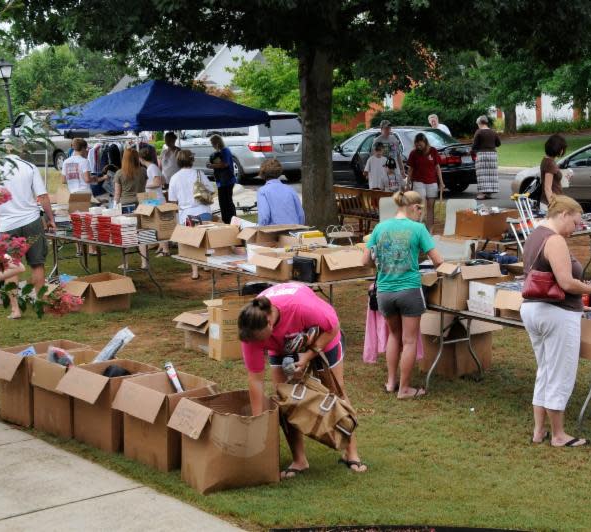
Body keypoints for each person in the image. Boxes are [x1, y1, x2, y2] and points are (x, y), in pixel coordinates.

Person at [239, 282, 367, 477]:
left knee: (336, 392)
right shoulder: (251, 331)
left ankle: (351, 453)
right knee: (285, 398)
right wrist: (258, 421)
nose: (257, 345)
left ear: (269, 322)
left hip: (324, 336)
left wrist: (307, 356)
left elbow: (333, 327)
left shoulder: (300, 306)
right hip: (284, 346)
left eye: (260, 339)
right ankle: (299, 460)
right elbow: (255, 381)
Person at [520, 195, 591, 448]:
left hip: (534, 310)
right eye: (574, 223)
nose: (575, 230)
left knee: (545, 370)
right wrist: (589, 288)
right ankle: (559, 434)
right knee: (560, 373)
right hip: (556, 312)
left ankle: (539, 430)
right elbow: (565, 282)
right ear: (563, 214)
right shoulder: (555, 240)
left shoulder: (534, 235)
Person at [362, 190, 444, 398]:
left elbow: (365, 261)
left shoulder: (380, 227)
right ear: (414, 208)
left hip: (384, 291)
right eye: (420, 211)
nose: (420, 215)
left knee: (394, 335)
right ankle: (405, 389)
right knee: (409, 340)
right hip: (409, 290)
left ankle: (391, 382)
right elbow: (438, 260)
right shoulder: (417, 228)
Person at [0, 151, 55, 319]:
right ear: (20, 151)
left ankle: (15, 310)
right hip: (32, 224)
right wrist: (51, 218)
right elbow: (43, 196)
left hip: (8, 227)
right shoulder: (29, 166)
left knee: (11, 268)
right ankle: (41, 305)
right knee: (37, 264)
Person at [168, 149, 214, 280]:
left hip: (186, 213)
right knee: (206, 240)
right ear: (192, 160)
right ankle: (206, 265)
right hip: (203, 210)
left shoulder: (174, 178)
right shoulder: (199, 173)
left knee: (191, 243)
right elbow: (210, 190)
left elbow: (172, 200)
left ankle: (195, 271)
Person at [61, 138, 97, 255]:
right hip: (84, 193)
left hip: (73, 193)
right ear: (83, 148)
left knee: (76, 222)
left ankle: (79, 249)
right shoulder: (84, 161)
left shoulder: (66, 162)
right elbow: (87, 179)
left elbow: (63, 180)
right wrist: (95, 179)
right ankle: (92, 249)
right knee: (88, 221)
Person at [406, 132, 443, 231]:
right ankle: (418, 227)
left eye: (420, 144)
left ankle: (429, 229)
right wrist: (407, 183)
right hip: (418, 182)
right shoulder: (413, 153)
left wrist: (441, 182)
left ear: (425, 142)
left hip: (432, 182)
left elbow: (437, 167)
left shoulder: (433, 151)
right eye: (417, 144)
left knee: (431, 207)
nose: (418, 146)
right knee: (420, 205)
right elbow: (410, 169)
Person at [138, 146, 170, 258]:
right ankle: (162, 246)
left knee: (160, 225)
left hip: (156, 199)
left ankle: (165, 249)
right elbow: (162, 180)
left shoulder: (151, 168)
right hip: (153, 198)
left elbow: (157, 183)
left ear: (141, 158)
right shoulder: (152, 167)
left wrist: (144, 185)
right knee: (157, 224)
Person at [256, 158, 305, 226]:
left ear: (262, 173)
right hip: (293, 232)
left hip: (274, 232)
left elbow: (264, 217)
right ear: (279, 171)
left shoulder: (263, 191)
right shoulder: (290, 189)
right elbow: (301, 215)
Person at [205, 135, 237, 224]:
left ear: (217, 143)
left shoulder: (225, 151)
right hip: (221, 181)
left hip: (227, 181)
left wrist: (212, 166)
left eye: (212, 143)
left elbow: (225, 164)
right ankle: (226, 220)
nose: (212, 145)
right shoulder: (219, 152)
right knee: (223, 202)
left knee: (227, 202)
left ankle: (231, 220)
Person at [471, 115, 501, 200]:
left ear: (480, 123)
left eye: (477, 124)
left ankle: (482, 193)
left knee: (482, 175)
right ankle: (489, 193)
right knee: (491, 174)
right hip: (493, 155)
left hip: (482, 155)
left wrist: (470, 151)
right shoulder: (493, 132)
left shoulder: (479, 132)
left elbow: (474, 146)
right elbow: (498, 144)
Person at [113, 147, 147, 214]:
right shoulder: (143, 171)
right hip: (141, 203)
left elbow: (117, 194)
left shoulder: (119, 173)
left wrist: (114, 207)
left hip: (125, 204)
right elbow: (145, 186)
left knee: (128, 223)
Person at [540, 134, 567, 212]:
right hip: (550, 204)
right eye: (562, 148)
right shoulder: (550, 163)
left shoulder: (546, 160)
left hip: (550, 202)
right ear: (559, 149)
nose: (563, 151)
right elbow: (547, 188)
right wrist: (553, 206)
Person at [373, 120, 406, 185]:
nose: (388, 130)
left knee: (397, 188)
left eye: (389, 128)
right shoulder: (377, 140)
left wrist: (402, 170)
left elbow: (398, 155)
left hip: (395, 169)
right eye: (386, 128)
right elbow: (374, 158)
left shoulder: (394, 139)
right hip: (383, 170)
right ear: (381, 129)